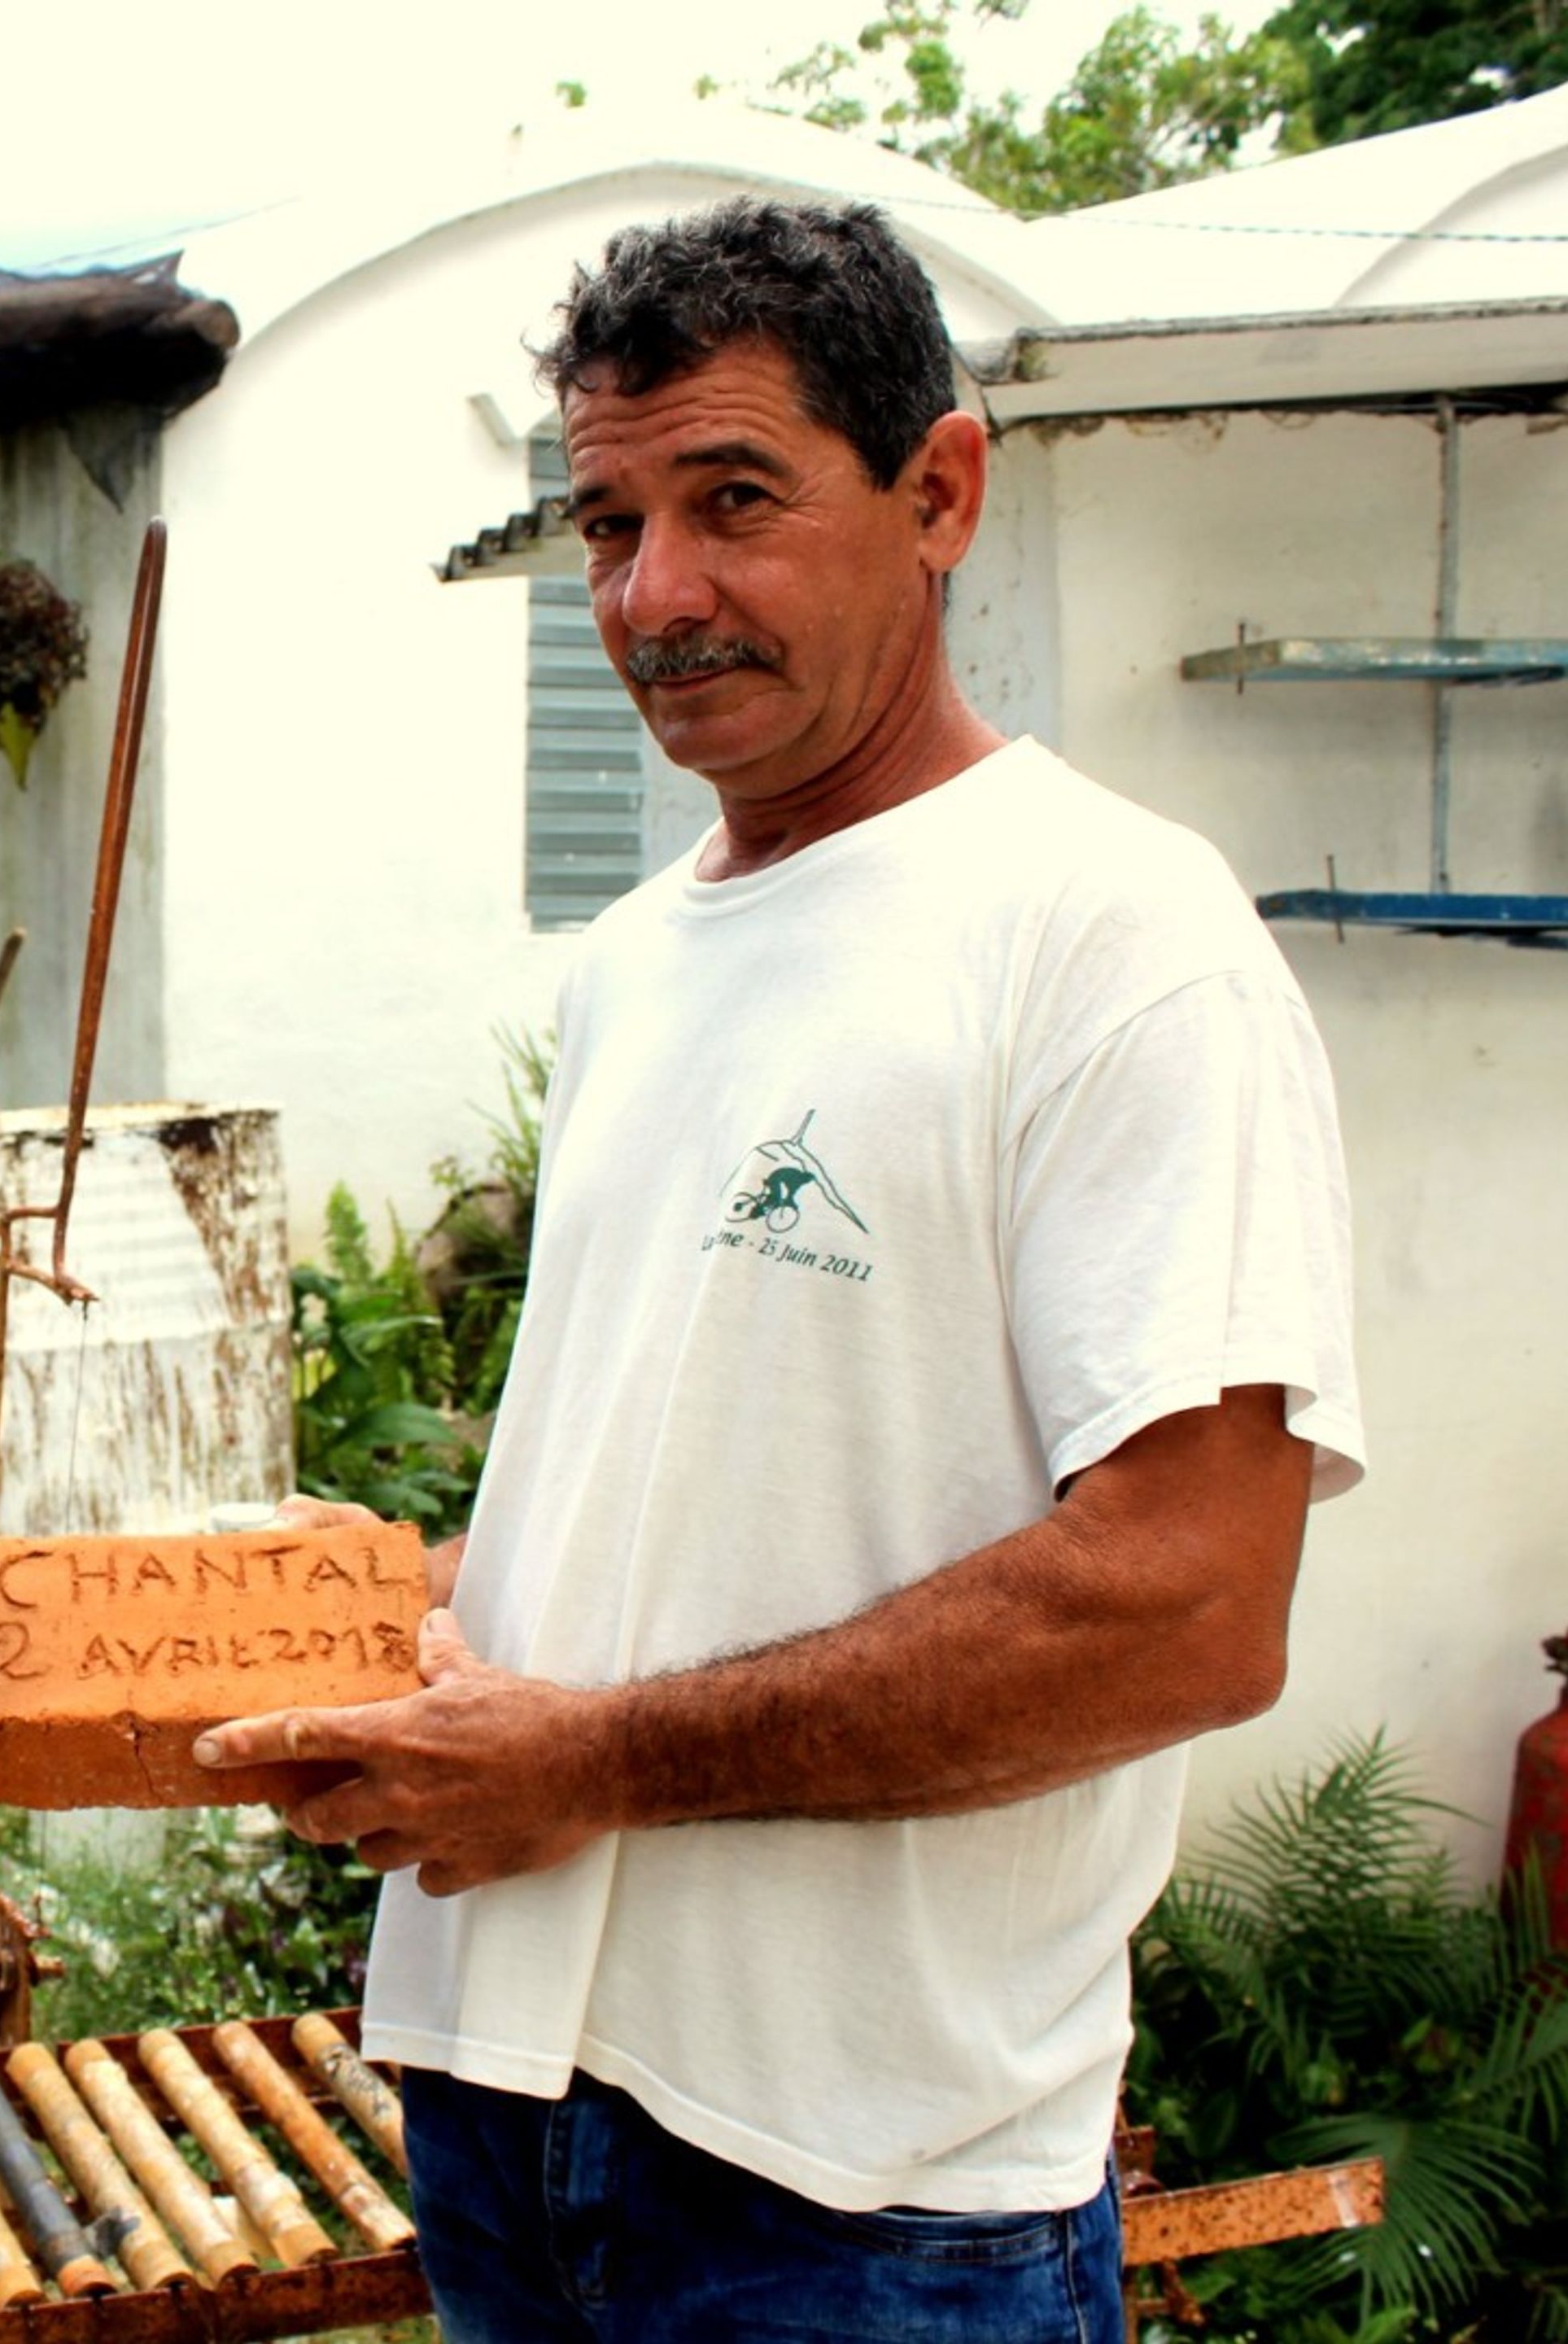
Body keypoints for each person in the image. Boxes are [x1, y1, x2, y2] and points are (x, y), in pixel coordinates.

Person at [194, 196, 1363, 2342]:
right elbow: (734, 1479)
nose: (656, 594)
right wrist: (417, 1611)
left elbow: (1192, 1602)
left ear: (940, 490)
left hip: (861, 2194)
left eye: (734, 501)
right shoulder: (641, 960)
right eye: (610, 519)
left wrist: (602, 1760)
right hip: (514, 2101)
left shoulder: (1115, 942)